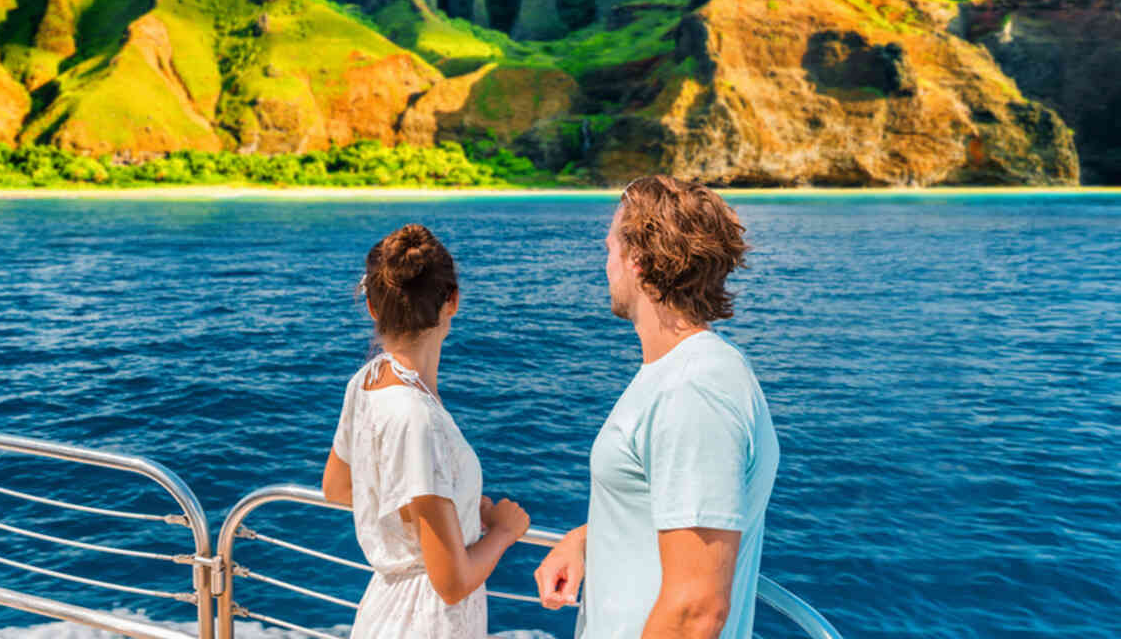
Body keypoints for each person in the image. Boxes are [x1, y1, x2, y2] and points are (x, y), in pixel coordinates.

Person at [534, 176, 781, 639]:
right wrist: (585, 542)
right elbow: (666, 507)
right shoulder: (682, 375)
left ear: (639, 261)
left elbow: (696, 610)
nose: (606, 264)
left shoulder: (693, 390)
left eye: (610, 249)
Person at [322, 224, 530, 638]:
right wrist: (505, 530)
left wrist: (449, 511)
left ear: (372, 308)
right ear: (452, 300)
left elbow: (338, 487)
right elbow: (451, 582)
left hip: (387, 610)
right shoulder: (415, 417)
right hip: (425, 622)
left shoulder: (367, 381)